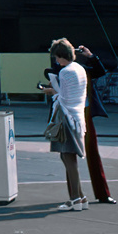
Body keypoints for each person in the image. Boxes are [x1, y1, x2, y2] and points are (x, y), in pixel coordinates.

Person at [41, 38, 88, 211]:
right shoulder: (79, 68)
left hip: (67, 118)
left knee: (68, 158)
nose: (56, 61)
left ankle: (75, 199)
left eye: (57, 57)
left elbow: (64, 98)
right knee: (68, 157)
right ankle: (80, 197)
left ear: (61, 55)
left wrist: (51, 91)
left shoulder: (65, 72)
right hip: (77, 117)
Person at [75, 44, 116, 205]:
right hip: (71, 115)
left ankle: (102, 194)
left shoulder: (82, 69)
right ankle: (75, 195)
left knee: (91, 152)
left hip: (84, 113)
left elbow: (100, 71)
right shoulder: (62, 70)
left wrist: (91, 56)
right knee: (69, 157)